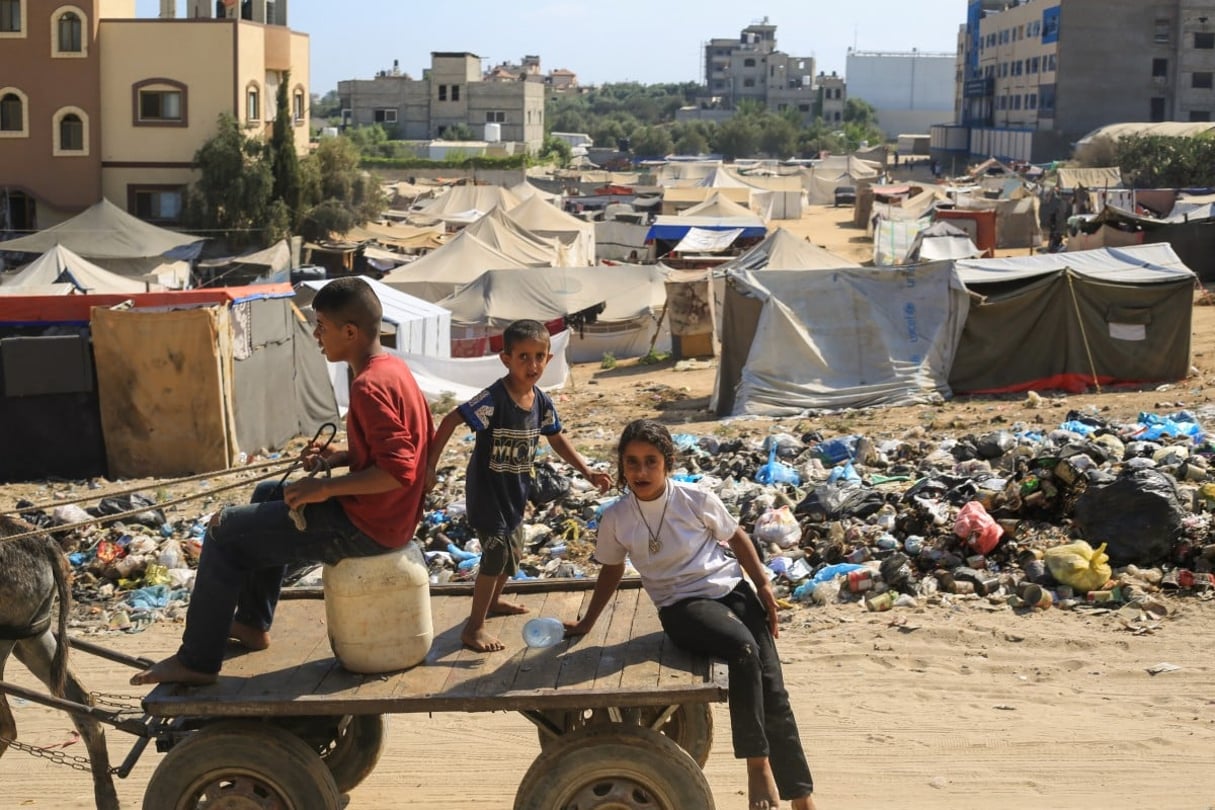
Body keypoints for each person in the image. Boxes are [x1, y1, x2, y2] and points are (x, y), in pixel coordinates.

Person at [132, 277, 433, 686]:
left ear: (350, 331)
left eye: (321, 326)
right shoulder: (392, 369)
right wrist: (337, 459)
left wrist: (323, 488)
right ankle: (253, 622)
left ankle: (198, 660)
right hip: (387, 517)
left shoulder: (368, 385)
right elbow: (398, 454)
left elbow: (399, 471)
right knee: (267, 495)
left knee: (223, 531)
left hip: (368, 529)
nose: (316, 335)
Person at [566, 419, 817, 810]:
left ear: (667, 463)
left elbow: (736, 537)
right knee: (743, 650)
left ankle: (801, 798)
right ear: (621, 467)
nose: (641, 472)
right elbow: (612, 569)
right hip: (682, 606)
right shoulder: (617, 518)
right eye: (632, 463)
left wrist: (763, 586)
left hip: (732, 591)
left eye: (651, 462)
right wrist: (587, 621)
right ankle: (757, 765)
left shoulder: (695, 499)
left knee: (773, 688)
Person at [427, 319, 612, 653]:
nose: (533, 365)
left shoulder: (540, 401)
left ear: (549, 359)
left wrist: (587, 471)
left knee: (513, 554)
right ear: (506, 359)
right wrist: (430, 467)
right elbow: (450, 419)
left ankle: (493, 601)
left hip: (515, 494)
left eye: (540, 356)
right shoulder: (495, 399)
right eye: (524, 357)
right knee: (495, 555)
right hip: (486, 493)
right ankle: (474, 627)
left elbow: (557, 439)